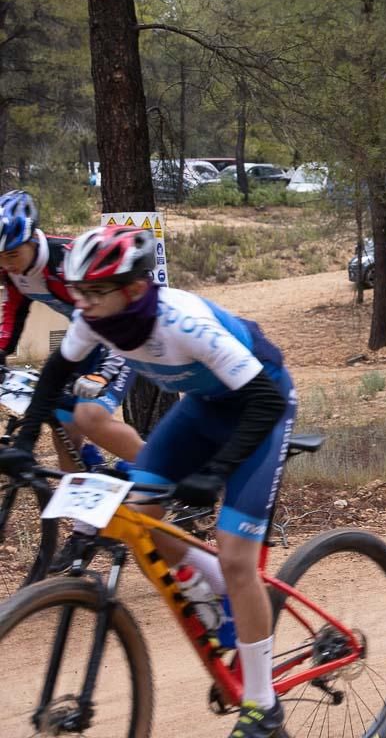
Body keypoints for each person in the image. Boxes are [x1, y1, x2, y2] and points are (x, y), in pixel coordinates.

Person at [6, 225, 296, 737]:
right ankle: (210, 589)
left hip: (261, 406)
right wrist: (23, 445)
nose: (84, 307)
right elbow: (53, 376)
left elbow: (265, 402)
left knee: (236, 557)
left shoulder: (182, 321)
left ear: (134, 289)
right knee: (137, 519)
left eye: (95, 294)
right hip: (205, 408)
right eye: (79, 295)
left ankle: (262, 703)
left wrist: (215, 473)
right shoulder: (97, 318)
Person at [0, 190, 144, 571]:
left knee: (90, 417)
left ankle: (164, 471)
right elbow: (14, 311)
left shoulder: (67, 262)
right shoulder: (14, 268)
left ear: (34, 239)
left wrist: (101, 374)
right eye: (0, 257)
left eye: (12, 254)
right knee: (65, 431)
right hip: (85, 340)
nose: (7, 265)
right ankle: (86, 530)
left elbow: (119, 314)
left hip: (123, 337)